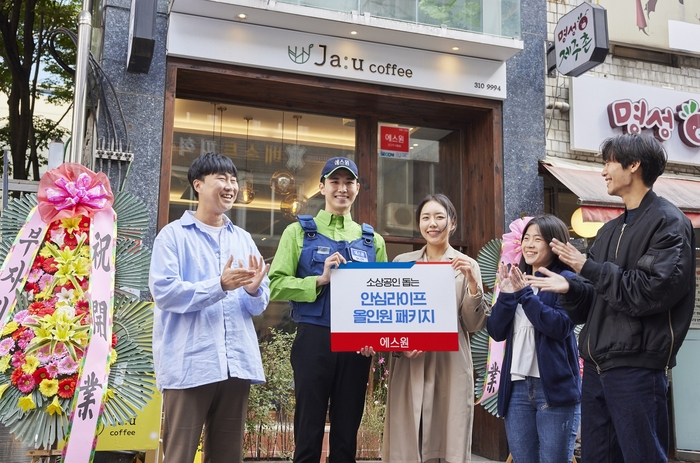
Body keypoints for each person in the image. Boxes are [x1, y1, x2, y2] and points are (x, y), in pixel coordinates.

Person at [527, 134, 696, 463]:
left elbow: (649, 292)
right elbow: (592, 303)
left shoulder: (669, 222)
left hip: (637, 367)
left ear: (633, 166)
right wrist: (572, 288)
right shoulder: (606, 230)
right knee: (597, 457)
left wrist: (587, 267)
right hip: (594, 366)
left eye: (608, 162)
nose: (603, 171)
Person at [149, 152, 270, 463]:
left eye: (233, 180)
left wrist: (254, 291)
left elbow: (256, 305)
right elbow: (165, 292)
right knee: (179, 455)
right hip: (190, 364)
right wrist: (219, 285)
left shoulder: (243, 239)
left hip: (236, 365)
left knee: (228, 457)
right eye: (222, 178)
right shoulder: (173, 236)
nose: (230, 186)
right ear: (198, 185)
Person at [268, 156, 388, 463]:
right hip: (313, 340)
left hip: (356, 346)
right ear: (322, 187)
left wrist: (374, 337)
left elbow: (383, 296)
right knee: (307, 434)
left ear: (358, 188)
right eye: (335, 182)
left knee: (346, 438)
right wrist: (318, 280)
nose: (342, 188)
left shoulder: (372, 241)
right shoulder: (297, 233)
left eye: (349, 182)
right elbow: (275, 284)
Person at [382, 193, 488, 463]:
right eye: (426, 217)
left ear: (452, 223)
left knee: (446, 444)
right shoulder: (402, 263)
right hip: (410, 365)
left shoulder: (467, 265)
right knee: (407, 443)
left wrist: (474, 284)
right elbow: (392, 318)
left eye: (440, 217)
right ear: (419, 224)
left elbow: (473, 323)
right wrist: (402, 347)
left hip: (449, 365)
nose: (432, 223)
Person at [487, 215, 581, 463]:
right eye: (525, 238)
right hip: (517, 388)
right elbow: (495, 331)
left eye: (537, 239)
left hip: (554, 389)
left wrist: (526, 295)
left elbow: (559, 326)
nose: (528, 244)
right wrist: (507, 296)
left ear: (555, 244)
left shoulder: (566, 281)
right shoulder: (514, 279)